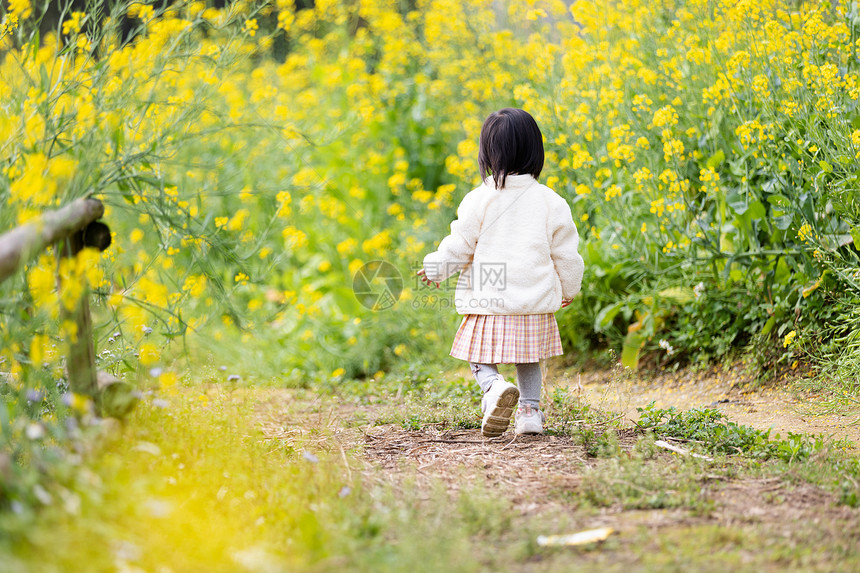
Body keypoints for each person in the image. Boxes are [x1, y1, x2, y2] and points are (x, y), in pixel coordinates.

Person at [417, 108, 584, 437]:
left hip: (488, 299)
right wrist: (569, 289)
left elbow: (460, 244)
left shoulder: (480, 199)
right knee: (529, 357)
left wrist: (435, 268)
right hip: (533, 300)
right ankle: (530, 413)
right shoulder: (551, 202)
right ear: (536, 151)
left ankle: (493, 387)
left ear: (487, 153)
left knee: (476, 353)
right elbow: (567, 254)